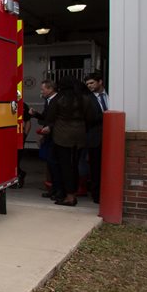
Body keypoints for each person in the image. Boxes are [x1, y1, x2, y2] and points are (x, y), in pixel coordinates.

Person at [43, 77, 99, 206]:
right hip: (79, 135)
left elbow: (50, 117)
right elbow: (91, 117)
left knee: (64, 166)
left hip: (61, 136)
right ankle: (73, 192)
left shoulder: (58, 99)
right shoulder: (84, 99)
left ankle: (69, 196)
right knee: (75, 165)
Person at [27, 80, 60, 199]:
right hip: (49, 136)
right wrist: (35, 114)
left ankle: (58, 191)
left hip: (57, 136)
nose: (41, 92)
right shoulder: (48, 101)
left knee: (55, 164)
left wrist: (50, 127)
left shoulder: (58, 100)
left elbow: (59, 119)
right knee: (50, 164)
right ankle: (53, 189)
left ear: (50, 89)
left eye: (43, 89)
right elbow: (46, 117)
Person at [84, 71, 109, 203]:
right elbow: (88, 118)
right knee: (95, 167)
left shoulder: (112, 94)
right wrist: (106, 116)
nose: (89, 86)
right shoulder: (87, 99)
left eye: (92, 83)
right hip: (95, 138)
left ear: (100, 82)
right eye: (87, 84)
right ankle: (97, 195)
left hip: (111, 136)